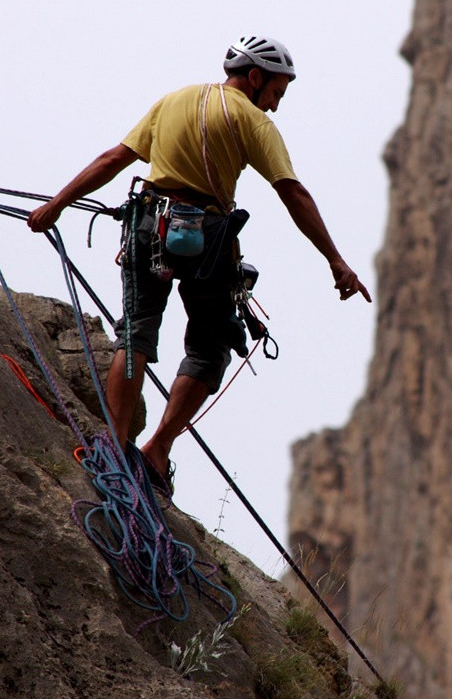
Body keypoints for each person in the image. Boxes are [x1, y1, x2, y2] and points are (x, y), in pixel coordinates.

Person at [28, 35, 371, 486]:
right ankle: (156, 449)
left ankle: (112, 444)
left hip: (149, 224)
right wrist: (336, 261)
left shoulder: (173, 101)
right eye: (275, 93)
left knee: (136, 331)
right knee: (210, 349)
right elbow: (293, 192)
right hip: (207, 240)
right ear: (255, 78)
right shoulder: (252, 121)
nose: (275, 106)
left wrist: (57, 204)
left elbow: (114, 158)